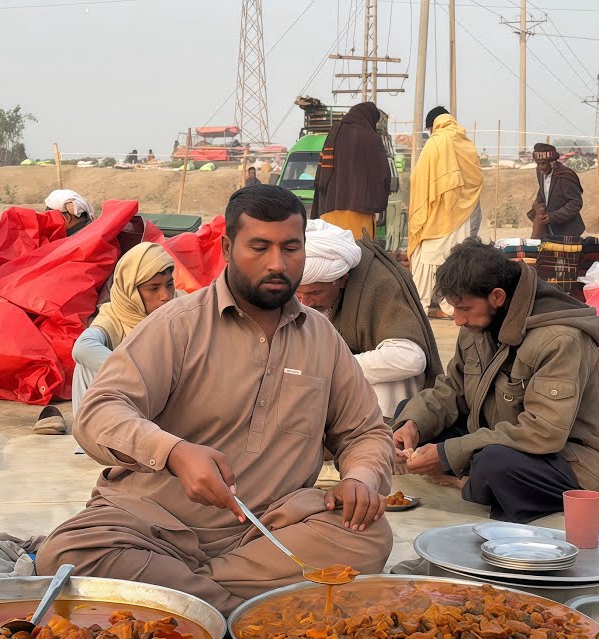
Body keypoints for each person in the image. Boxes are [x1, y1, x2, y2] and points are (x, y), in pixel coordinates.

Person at [36, 184, 395, 614]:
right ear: (227, 247)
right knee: (68, 556)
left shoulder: (322, 338)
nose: (277, 264)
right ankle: (245, 614)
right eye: (259, 247)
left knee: (368, 535)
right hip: (150, 525)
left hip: (263, 534)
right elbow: (99, 412)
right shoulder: (179, 324)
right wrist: (173, 452)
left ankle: (186, 604)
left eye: (290, 248)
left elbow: (365, 431)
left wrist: (360, 480)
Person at [392, 240, 599, 523]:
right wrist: (413, 424)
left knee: (494, 464)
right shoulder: (477, 326)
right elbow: (452, 389)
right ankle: (473, 476)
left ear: (497, 297)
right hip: (496, 437)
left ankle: (471, 481)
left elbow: (543, 432)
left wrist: (451, 452)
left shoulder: (560, 339)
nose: (458, 321)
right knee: (410, 413)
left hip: (567, 460)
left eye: (464, 308)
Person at [296, 220, 442, 418]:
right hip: (332, 386)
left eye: (315, 293)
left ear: (342, 279)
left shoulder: (381, 282)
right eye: (297, 293)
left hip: (384, 401)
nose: (304, 302)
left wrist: (333, 365)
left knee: (391, 377)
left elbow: (411, 358)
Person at [71, 243, 177, 417]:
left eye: (169, 285)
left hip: (175, 409)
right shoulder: (115, 315)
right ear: (131, 291)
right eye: (153, 288)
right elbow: (83, 347)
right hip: (131, 404)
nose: (165, 296)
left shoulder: (183, 306)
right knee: (85, 366)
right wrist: (136, 374)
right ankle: (89, 440)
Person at [408, 106, 483, 319]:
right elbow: (476, 181)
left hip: (437, 217)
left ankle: (419, 306)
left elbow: (420, 180)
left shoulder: (436, 142)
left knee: (426, 260)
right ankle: (453, 307)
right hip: (464, 214)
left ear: (432, 126)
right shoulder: (466, 143)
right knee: (456, 261)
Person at [312, 101, 392, 244]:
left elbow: (321, 177)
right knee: (359, 259)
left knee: (334, 257)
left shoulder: (334, 132)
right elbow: (383, 176)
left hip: (329, 210)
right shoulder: (371, 138)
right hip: (360, 213)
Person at [529, 143, 585, 239]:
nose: (541, 167)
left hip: (567, 230)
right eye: (538, 164)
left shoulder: (565, 176)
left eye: (543, 163)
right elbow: (543, 190)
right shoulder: (539, 171)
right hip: (548, 229)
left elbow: (575, 203)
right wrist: (538, 204)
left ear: (552, 162)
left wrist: (553, 217)